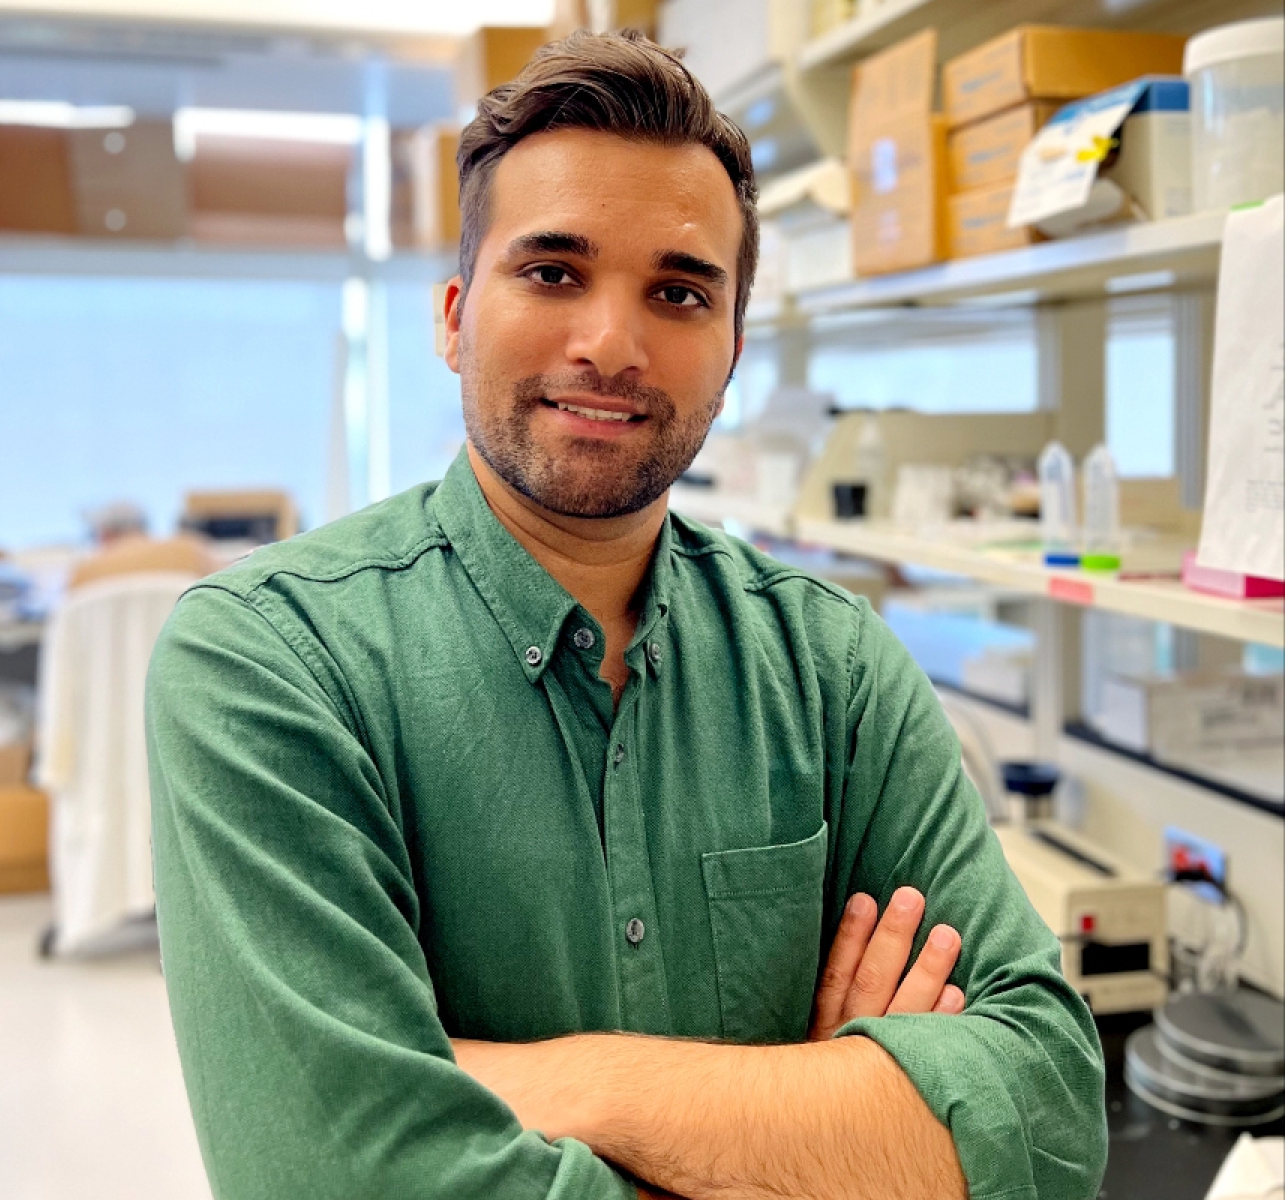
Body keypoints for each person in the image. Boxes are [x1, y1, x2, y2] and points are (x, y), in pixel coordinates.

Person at [146, 30, 1107, 1200]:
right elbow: (337, 1171)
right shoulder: (269, 664)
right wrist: (819, 1124)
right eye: (553, 272)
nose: (611, 343)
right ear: (453, 315)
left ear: (733, 350)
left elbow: (1052, 1116)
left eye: (679, 291)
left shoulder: (830, 667)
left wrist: (577, 1085)